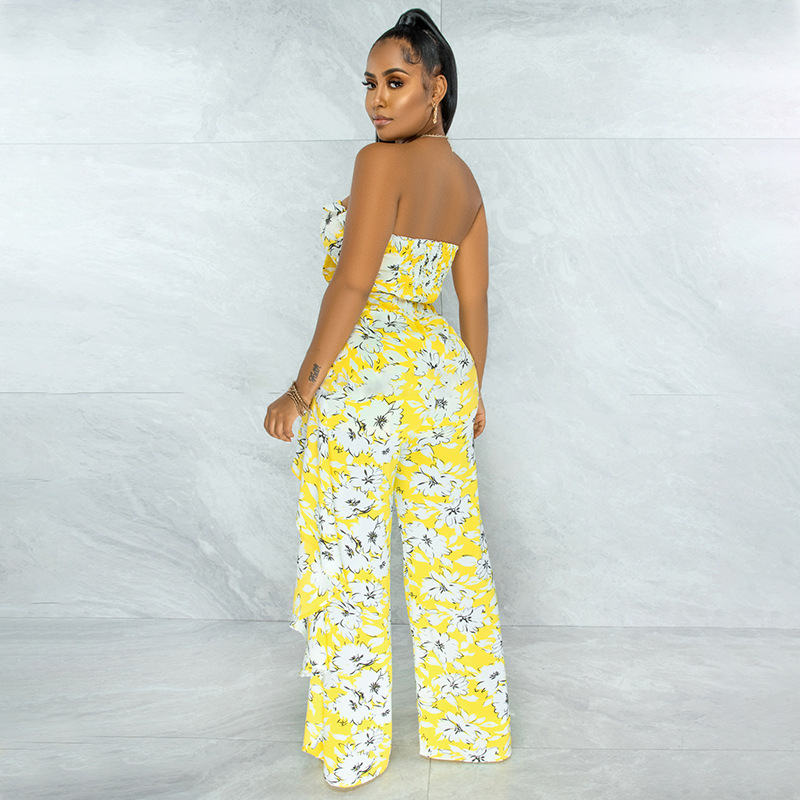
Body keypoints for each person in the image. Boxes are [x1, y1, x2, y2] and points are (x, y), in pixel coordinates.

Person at [263, 8, 511, 789]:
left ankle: (356, 749)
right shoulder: (466, 183)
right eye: (370, 83)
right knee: (449, 557)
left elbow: (354, 282)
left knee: (349, 556)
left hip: (368, 376)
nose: (377, 100)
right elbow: (473, 302)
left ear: (436, 89)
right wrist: (472, 390)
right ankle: (469, 731)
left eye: (395, 82)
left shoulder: (379, 164)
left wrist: (300, 390)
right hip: (440, 375)